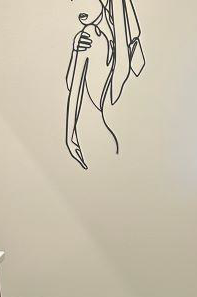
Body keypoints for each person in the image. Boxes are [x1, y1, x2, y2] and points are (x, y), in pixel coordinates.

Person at [66, 0, 145, 170]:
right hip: (103, 130)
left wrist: (70, 137)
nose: (80, 8)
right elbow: (72, 84)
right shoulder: (100, 36)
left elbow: (72, 85)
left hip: (92, 133)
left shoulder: (93, 34)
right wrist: (75, 52)